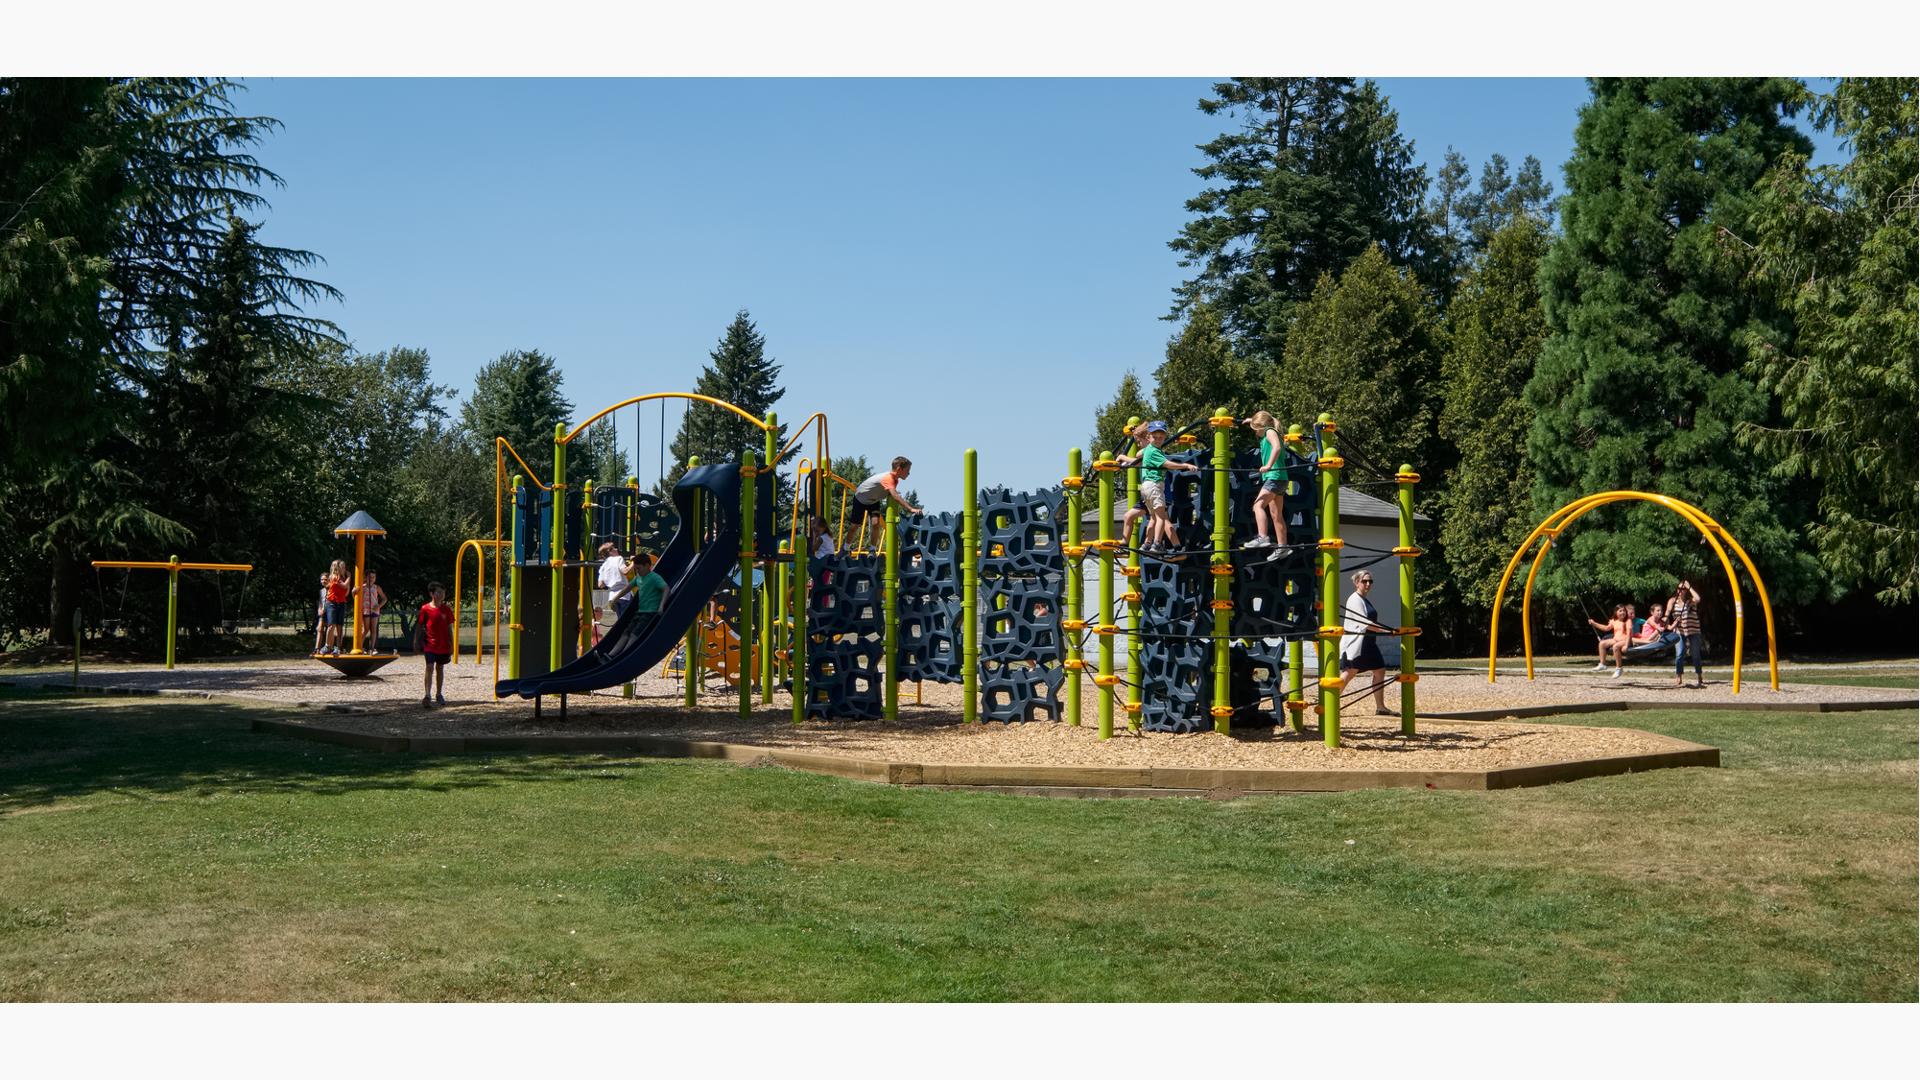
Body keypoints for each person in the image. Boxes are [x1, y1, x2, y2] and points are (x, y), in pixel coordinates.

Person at [1115, 421, 1199, 555]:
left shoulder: (1149, 450)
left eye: (1161, 437)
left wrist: (1122, 457)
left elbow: (1137, 457)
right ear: (1149, 437)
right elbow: (1167, 464)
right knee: (1161, 518)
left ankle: (1148, 544)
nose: (1158, 440)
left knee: (1155, 517)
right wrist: (1186, 466)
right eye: (1155, 437)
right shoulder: (1154, 451)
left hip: (1147, 488)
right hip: (1154, 486)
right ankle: (1158, 544)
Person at [1336, 569, 1393, 714]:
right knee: (1348, 674)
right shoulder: (1354, 599)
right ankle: (1331, 704)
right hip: (1358, 643)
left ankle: (1380, 707)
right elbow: (1365, 623)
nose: (1368, 584)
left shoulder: (1363, 599)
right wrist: (1387, 631)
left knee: (1379, 671)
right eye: (1364, 581)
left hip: (1368, 643)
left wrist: (1386, 631)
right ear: (1356, 582)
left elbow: (1369, 623)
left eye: (1370, 581)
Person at [1242, 410, 1289, 559]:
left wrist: (1268, 465)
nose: (1255, 433)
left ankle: (1262, 537)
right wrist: (1250, 420)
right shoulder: (1267, 429)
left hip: (1274, 476)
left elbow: (1277, 447)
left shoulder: (1270, 431)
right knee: (1276, 515)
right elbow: (1260, 423)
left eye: (1255, 430)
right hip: (1280, 478)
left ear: (1261, 427)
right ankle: (1283, 547)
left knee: (1258, 506)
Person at [850, 457, 923, 552]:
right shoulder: (888, 478)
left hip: (873, 501)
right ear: (899, 469)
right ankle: (845, 548)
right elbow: (895, 496)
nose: (909, 473)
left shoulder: (895, 480)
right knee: (855, 526)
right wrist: (911, 509)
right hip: (860, 499)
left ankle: (872, 550)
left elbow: (891, 493)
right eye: (907, 470)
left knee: (876, 523)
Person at [414, 581, 454, 707]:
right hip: (429, 644)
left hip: (443, 645)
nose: (442, 595)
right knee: (429, 667)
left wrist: (452, 644)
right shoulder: (425, 609)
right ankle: (427, 695)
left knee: (440, 668)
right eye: (438, 592)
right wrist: (416, 641)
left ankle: (439, 694)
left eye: (443, 592)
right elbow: (420, 626)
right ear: (432, 594)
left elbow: (449, 628)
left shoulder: (447, 609)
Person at [1666, 579, 1705, 688]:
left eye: (1683, 588)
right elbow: (1667, 614)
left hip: (1694, 630)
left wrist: (1689, 587)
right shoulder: (1672, 601)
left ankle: (1699, 675)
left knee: (1695, 654)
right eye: (1679, 588)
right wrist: (1667, 623)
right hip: (1679, 631)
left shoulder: (1690, 601)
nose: (1681, 590)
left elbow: (1698, 598)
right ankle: (1679, 676)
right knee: (1680, 653)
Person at [595, 541, 633, 636]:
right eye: (614, 548)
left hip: (612, 598)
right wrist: (634, 562)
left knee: (621, 621)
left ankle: (620, 637)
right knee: (629, 621)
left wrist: (610, 578)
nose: (616, 549)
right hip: (624, 595)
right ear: (610, 551)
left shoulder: (603, 566)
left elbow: (601, 585)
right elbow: (625, 571)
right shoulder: (618, 559)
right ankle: (627, 638)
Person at [1588, 603, 1632, 678]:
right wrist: (1594, 623)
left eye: (1624, 610)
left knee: (1615, 646)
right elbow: (1606, 628)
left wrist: (1626, 645)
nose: (1622, 612)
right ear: (1616, 612)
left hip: (1625, 640)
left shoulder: (1628, 621)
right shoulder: (1614, 621)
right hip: (1615, 640)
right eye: (1620, 611)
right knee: (1602, 643)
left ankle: (1619, 668)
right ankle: (1602, 664)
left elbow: (1629, 634)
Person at [629, 551, 669, 623]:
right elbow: (628, 587)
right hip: (642, 610)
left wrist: (661, 606)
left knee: (635, 631)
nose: (637, 571)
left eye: (638, 568)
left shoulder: (654, 578)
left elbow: (666, 589)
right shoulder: (639, 577)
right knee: (629, 630)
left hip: (650, 611)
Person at [322, 560, 351, 655]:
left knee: (340, 627)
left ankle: (338, 647)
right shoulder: (334, 577)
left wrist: (349, 586)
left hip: (341, 603)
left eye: (344, 567)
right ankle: (327, 646)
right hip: (332, 603)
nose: (344, 569)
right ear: (337, 568)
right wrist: (350, 577)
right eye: (342, 567)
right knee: (331, 625)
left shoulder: (343, 578)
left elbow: (346, 593)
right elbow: (344, 586)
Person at [358, 571, 387, 652]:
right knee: (366, 629)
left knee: (373, 630)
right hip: (365, 610)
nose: (371, 579)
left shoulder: (376, 587)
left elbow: (384, 599)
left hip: (374, 610)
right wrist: (353, 592)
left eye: (373, 577)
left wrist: (379, 606)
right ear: (365, 578)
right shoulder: (362, 587)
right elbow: (356, 598)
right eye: (369, 577)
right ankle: (359, 646)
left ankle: (372, 648)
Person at [312, 572, 330, 654]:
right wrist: (319, 609)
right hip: (323, 612)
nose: (323, 581)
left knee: (329, 630)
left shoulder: (332, 589)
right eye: (322, 579)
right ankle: (317, 648)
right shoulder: (321, 591)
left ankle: (329, 646)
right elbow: (320, 601)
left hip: (330, 611)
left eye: (325, 579)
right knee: (319, 629)